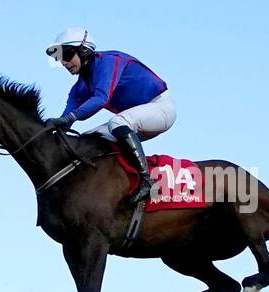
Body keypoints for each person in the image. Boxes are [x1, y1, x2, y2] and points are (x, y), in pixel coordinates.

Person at [44, 28, 176, 206]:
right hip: (134, 121)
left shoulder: (108, 61)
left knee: (117, 121)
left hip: (160, 108)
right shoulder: (79, 88)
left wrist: (70, 118)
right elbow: (66, 118)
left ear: (84, 50)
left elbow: (101, 98)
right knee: (88, 139)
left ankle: (147, 181)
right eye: (60, 59)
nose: (64, 63)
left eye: (67, 55)